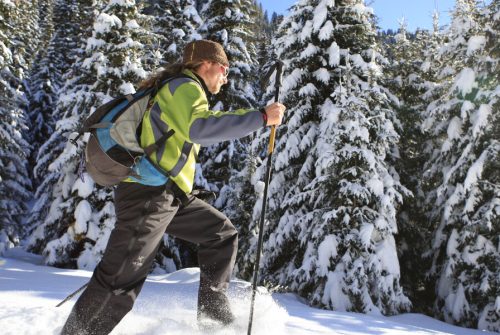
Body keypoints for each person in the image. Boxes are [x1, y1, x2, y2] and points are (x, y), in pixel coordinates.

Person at [61, 39, 286, 334]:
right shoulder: (184, 86)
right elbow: (199, 127)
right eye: (224, 68)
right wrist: (260, 117)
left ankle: (213, 322)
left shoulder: (182, 89)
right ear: (205, 64)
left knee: (220, 234)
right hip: (148, 194)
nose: (226, 77)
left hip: (169, 195)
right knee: (121, 279)